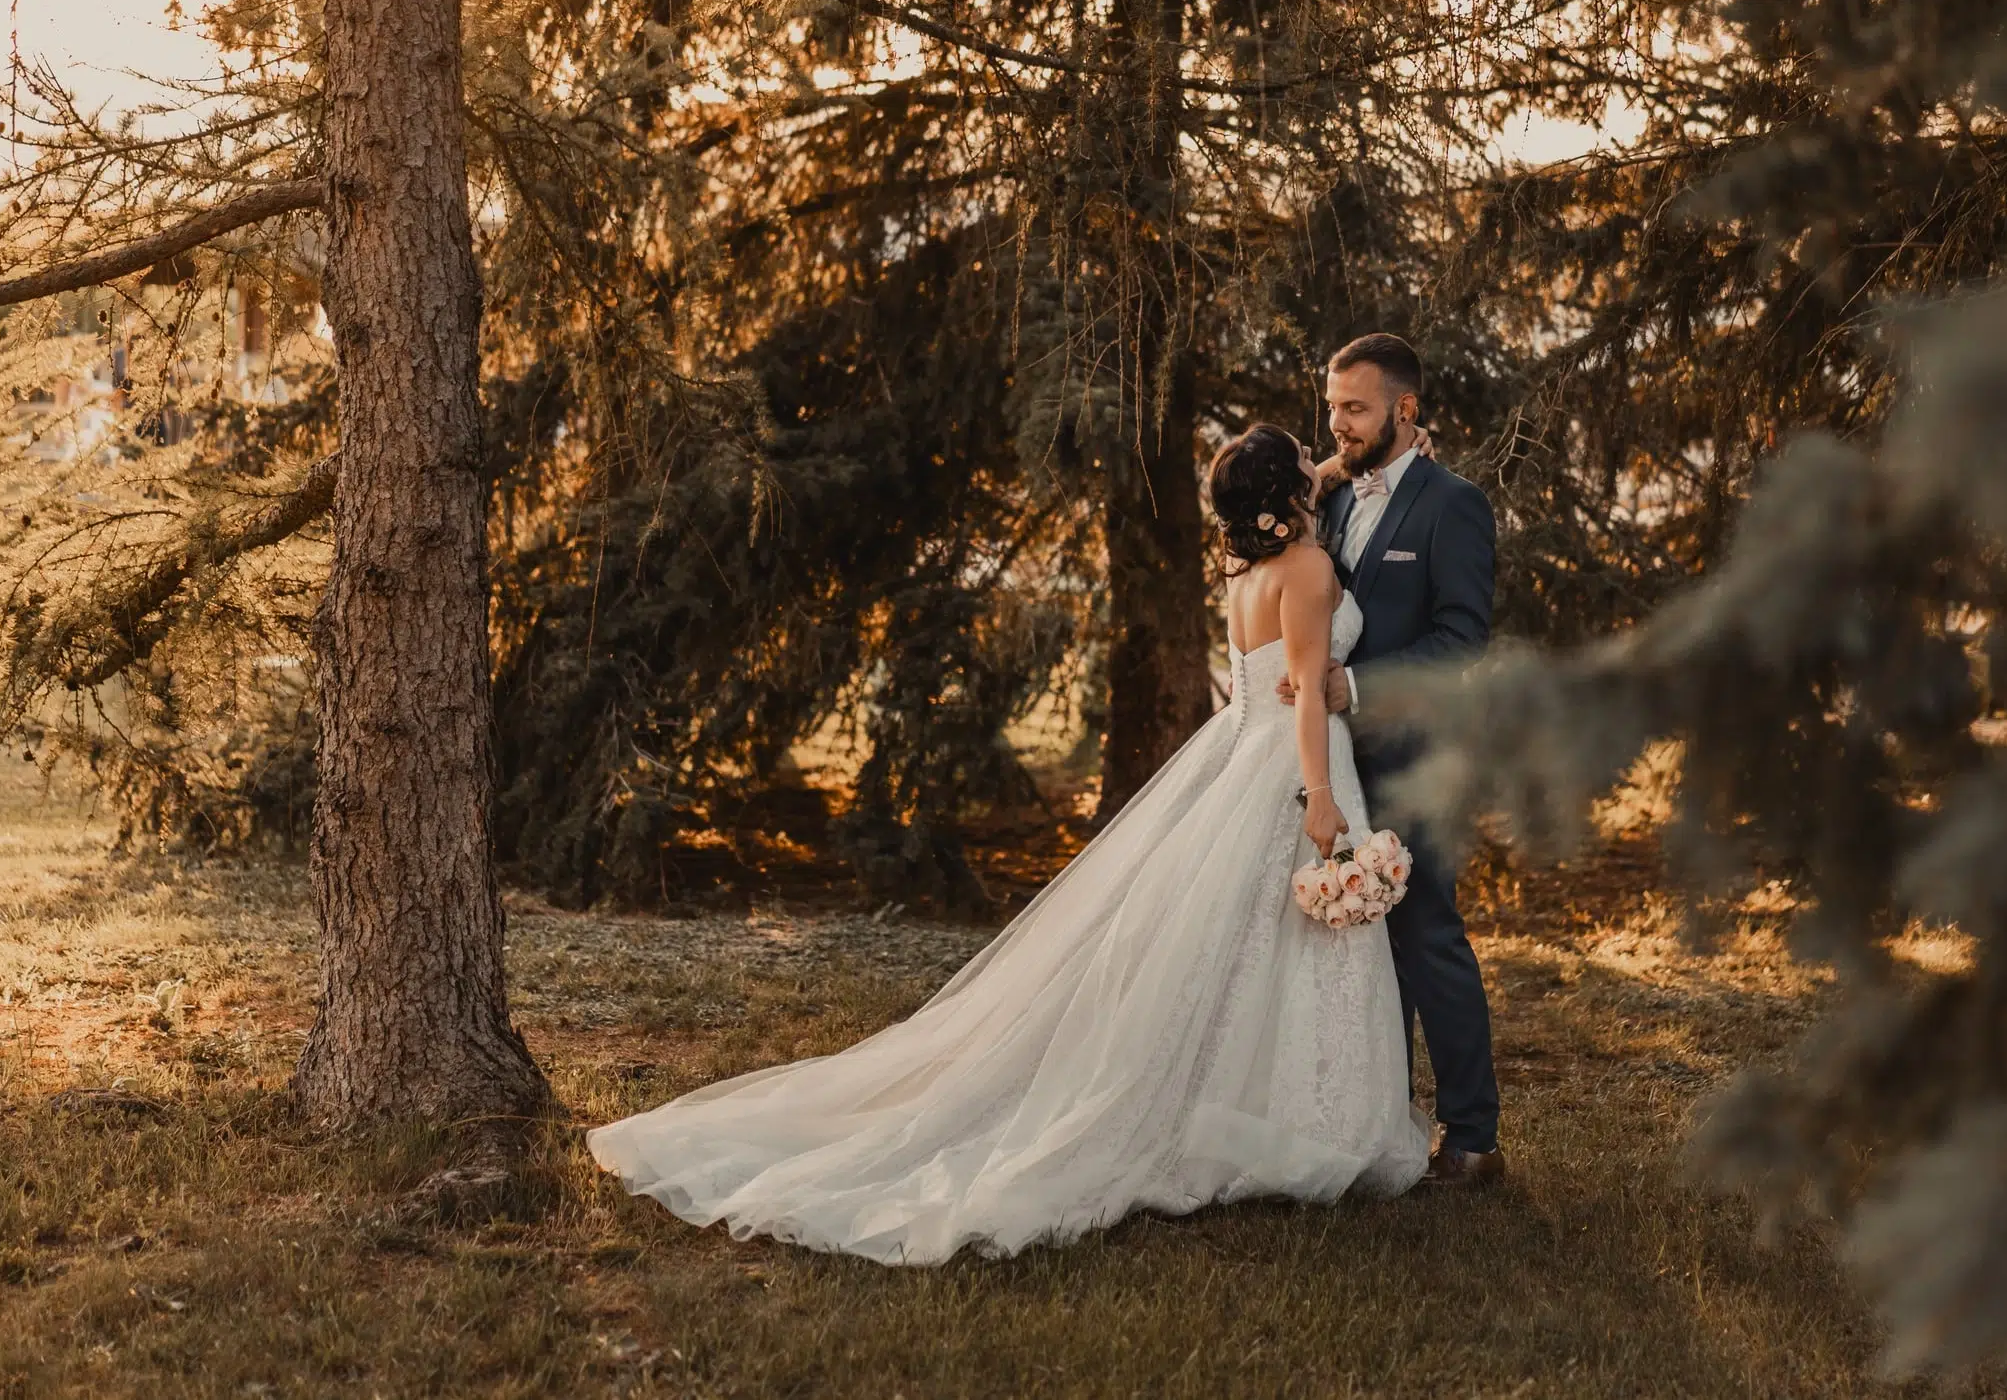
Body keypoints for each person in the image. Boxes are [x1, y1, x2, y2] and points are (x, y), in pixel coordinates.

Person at [586, 423, 1428, 1264]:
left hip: (1239, 751)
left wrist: (1350, 462)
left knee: (1243, 946)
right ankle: (1298, 1118)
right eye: (1303, 468)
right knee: (1286, 945)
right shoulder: (1307, 569)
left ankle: (1250, 1104)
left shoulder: (1248, 567)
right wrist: (1320, 798)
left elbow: (1294, 548)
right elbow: (1306, 695)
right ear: (1285, 497)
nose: (1317, 470)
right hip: (1293, 765)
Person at [1281, 332, 1503, 1185]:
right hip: (1336, 761)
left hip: (1413, 758)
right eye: (1332, 407)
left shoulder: (1455, 505)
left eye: (1355, 408)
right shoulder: (1335, 497)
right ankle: (1383, 1121)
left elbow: (1461, 640)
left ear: (1405, 410)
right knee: (1357, 947)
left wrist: (1358, 687)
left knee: (1427, 935)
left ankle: (1473, 1138)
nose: (1337, 423)